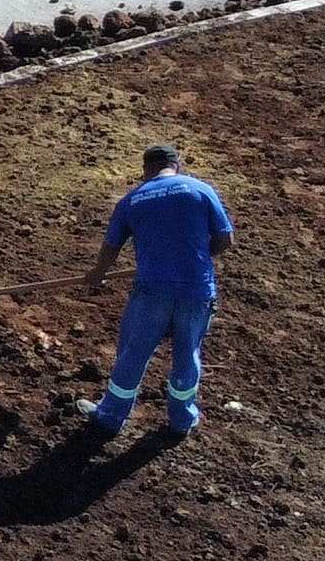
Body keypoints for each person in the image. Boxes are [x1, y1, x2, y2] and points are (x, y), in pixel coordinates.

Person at [89, 144, 234, 437]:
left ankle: (110, 416)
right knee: (187, 354)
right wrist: (200, 258)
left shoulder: (132, 200)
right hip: (197, 290)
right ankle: (182, 420)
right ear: (176, 166)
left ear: (146, 170)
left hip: (152, 290)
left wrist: (97, 274)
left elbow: (111, 247)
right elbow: (225, 239)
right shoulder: (200, 189)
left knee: (133, 353)